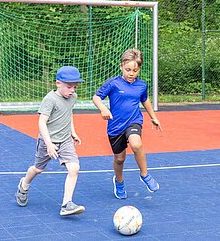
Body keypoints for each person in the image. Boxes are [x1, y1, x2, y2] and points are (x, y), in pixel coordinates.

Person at [15, 66, 86, 216]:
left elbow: (69, 114)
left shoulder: (73, 97)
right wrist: (48, 144)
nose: (72, 90)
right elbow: (41, 123)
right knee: (38, 169)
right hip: (48, 140)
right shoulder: (50, 100)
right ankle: (24, 184)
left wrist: (73, 132)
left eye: (75, 86)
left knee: (74, 168)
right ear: (57, 83)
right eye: (69, 86)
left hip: (65, 140)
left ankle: (67, 204)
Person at [93, 48, 162, 199]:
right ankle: (119, 182)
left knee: (136, 144)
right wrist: (104, 109)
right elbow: (96, 97)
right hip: (115, 125)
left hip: (134, 121)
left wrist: (153, 117)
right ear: (121, 67)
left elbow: (145, 100)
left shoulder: (141, 85)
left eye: (135, 70)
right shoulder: (113, 83)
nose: (131, 73)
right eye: (128, 69)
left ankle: (145, 175)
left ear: (139, 69)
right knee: (120, 159)